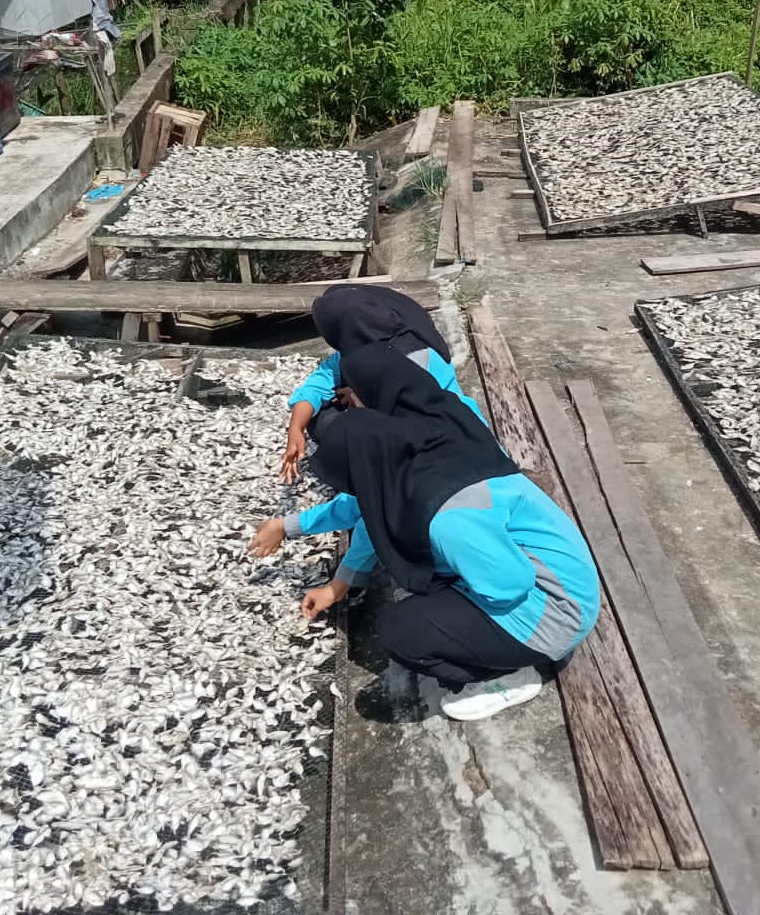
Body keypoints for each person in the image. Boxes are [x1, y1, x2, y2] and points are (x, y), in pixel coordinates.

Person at [251, 345, 600, 721]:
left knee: (401, 633)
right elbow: (365, 508)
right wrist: (294, 536)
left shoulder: (449, 520)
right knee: (417, 575)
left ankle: (511, 674)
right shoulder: (423, 452)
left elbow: (511, 583)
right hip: (553, 571)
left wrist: (448, 590)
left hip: (554, 612)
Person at [280, 284, 483, 483]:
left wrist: (360, 399)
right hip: (398, 422)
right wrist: (296, 429)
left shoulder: (417, 357)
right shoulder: (360, 342)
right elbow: (317, 384)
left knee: (348, 434)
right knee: (321, 418)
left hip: (443, 439)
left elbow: (415, 418)